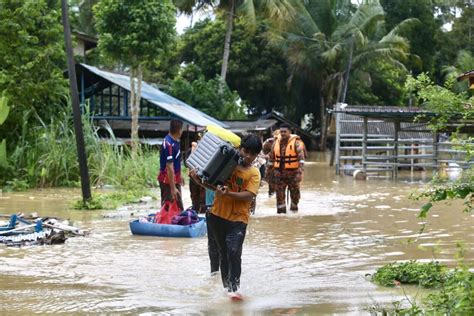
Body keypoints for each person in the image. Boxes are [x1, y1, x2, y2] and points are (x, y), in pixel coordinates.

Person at [190, 134, 262, 299]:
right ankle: (227, 289)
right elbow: (212, 185)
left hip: (238, 219)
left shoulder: (254, 173)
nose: (247, 156)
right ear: (240, 149)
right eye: (245, 151)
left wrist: (228, 193)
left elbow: (249, 195)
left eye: (252, 154)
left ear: (257, 156)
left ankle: (234, 288)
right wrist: (197, 180)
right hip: (217, 215)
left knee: (234, 252)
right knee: (223, 252)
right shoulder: (227, 163)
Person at [269, 123, 305, 213]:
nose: (283, 133)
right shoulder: (275, 143)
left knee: (295, 195)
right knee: (279, 196)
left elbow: (301, 160)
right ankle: (281, 216)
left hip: (293, 174)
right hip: (279, 174)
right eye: (281, 132)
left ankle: (294, 212)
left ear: (290, 132)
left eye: (285, 132)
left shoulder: (297, 143)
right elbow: (271, 159)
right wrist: (269, 175)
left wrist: (300, 173)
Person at [158, 119, 184, 211]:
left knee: (178, 205)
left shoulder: (176, 142)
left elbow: (177, 160)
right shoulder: (168, 143)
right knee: (168, 206)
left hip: (174, 178)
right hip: (167, 180)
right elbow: (169, 167)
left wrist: (180, 175)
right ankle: (165, 222)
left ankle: (179, 221)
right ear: (179, 130)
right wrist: (173, 188)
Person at [262, 129, 280, 197]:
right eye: (275, 137)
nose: (277, 139)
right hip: (271, 168)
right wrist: (267, 156)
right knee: (271, 186)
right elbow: (263, 152)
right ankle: (271, 197)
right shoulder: (269, 142)